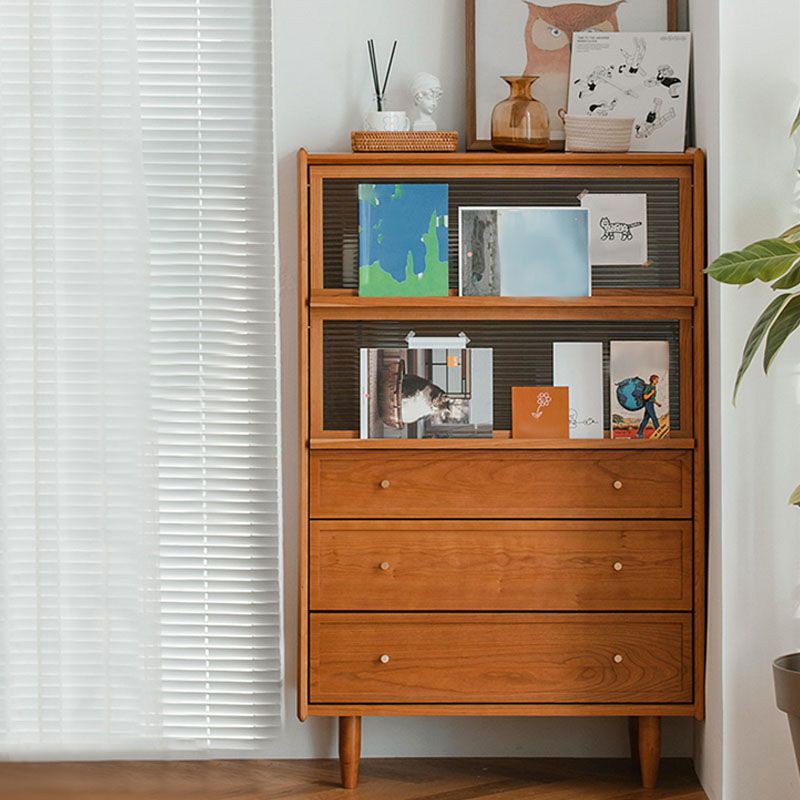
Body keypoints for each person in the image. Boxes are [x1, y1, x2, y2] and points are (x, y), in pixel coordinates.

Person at [637, 374, 662, 438]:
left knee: (645, 420)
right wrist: (651, 393)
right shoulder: (648, 387)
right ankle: (659, 432)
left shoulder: (653, 387)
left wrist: (657, 403)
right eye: (656, 380)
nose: (657, 381)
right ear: (653, 380)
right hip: (648, 404)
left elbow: (652, 398)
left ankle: (639, 433)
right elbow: (645, 397)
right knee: (654, 418)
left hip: (651, 403)